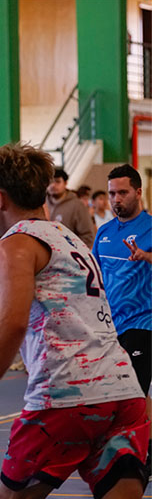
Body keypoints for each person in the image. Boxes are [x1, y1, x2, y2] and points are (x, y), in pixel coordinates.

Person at [0, 144, 149, 499]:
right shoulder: (72, 240)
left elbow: (11, 323)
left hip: (67, 395)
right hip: (124, 394)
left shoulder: (16, 243)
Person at [93, 165, 152, 397]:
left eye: (123, 193)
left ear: (138, 192)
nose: (116, 199)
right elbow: (93, 275)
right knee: (114, 394)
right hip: (108, 326)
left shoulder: (150, 227)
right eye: (112, 193)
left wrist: (145, 256)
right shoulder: (104, 231)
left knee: (134, 394)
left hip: (141, 324)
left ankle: (140, 434)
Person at [46, 168, 95, 247]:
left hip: (68, 254)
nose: (53, 185)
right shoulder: (42, 203)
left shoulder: (77, 205)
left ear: (65, 183)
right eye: (50, 182)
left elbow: (88, 236)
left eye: (57, 181)